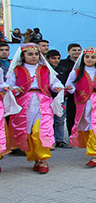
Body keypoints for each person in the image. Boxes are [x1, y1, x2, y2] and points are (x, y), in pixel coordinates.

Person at [5, 43, 64, 174]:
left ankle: (43, 159)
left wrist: (57, 88)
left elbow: (54, 82)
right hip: (24, 102)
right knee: (27, 133)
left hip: (43, 101)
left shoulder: (45, 68)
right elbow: (10, 84)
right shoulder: (16, 70)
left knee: (40, 130)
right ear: (23, 56)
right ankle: (35, 158)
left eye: (36, 54)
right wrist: (15, 89)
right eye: (30, 54)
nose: (33, 57)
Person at [65, 47, 96, 167]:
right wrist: (71, 89)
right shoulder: (76, 72)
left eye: (93, 57)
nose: (89, 59)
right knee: (86, 126)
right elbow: (69, 84)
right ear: (83, 58)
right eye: (87, 57)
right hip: (83, 102)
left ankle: (94, 155)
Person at [56, 43, 82, 148]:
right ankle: (71, 136)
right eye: (74, 50)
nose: (76, 52)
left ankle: (80, 136)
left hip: (82, 94)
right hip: (69, 94)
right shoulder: (63, 64)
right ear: (68, 52)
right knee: (70, 115)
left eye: (78, 50)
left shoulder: (84, 63)